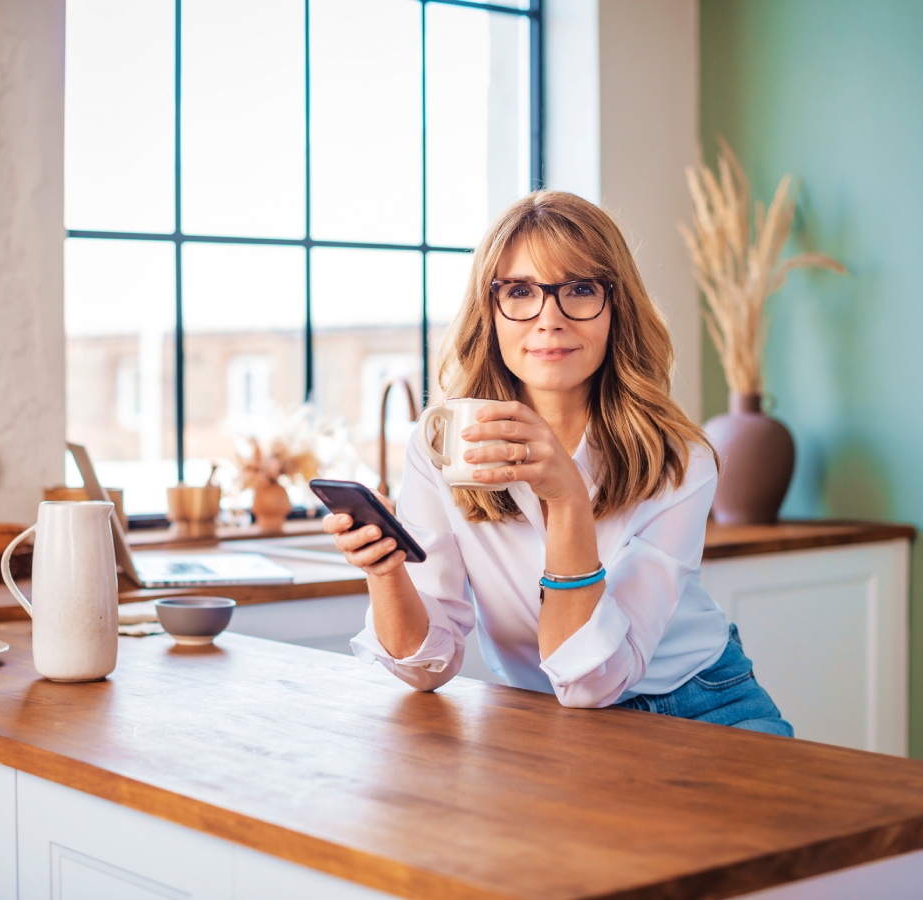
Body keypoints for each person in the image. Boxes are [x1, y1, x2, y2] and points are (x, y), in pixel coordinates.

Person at [325, 191, 792, 735]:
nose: (549, 319)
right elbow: (426, 666)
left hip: (705, 703)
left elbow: (594, 680)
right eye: (520, 291)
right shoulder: (441, 443)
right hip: (552, 717)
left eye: (579, 289)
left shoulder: (678, 459)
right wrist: (386, 574)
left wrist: (566, 496)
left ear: (616, 307)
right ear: (489, 309)